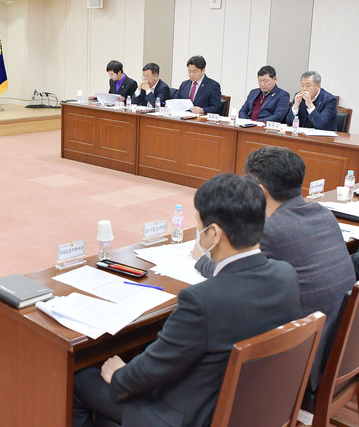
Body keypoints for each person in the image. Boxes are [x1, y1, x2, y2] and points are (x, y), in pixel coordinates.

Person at [72, 173, 299, 427]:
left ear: (214, 233)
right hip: (249, 407)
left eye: (199, 225)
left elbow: (154, 368)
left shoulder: (202, 301)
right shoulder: (287, 276)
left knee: (81, 381)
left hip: (188, 417)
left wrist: (119, 376)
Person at [194, 146, 355, 391]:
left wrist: (201, 257)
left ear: (260, 192)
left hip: (303, 363)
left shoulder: (270, 231)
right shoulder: (323, 213)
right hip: (342, 352)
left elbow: (232, 271)